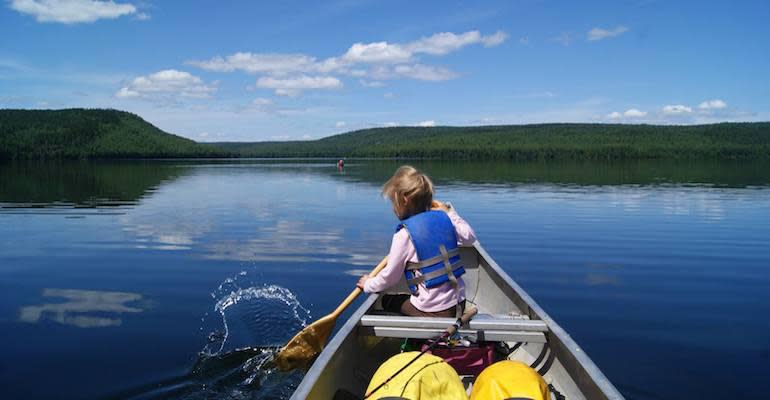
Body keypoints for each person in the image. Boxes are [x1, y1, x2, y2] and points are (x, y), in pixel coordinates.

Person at [357, 166, 477, 317]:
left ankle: (415, 337)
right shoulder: (445, 219)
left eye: (394, 202)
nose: (393, 208)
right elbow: (470, 237)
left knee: (388, 300)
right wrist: (449, 212)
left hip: (433, 313)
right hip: (459, 303)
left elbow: (390, 277)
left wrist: (368, 283)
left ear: (405, 199)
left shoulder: (404, 234)